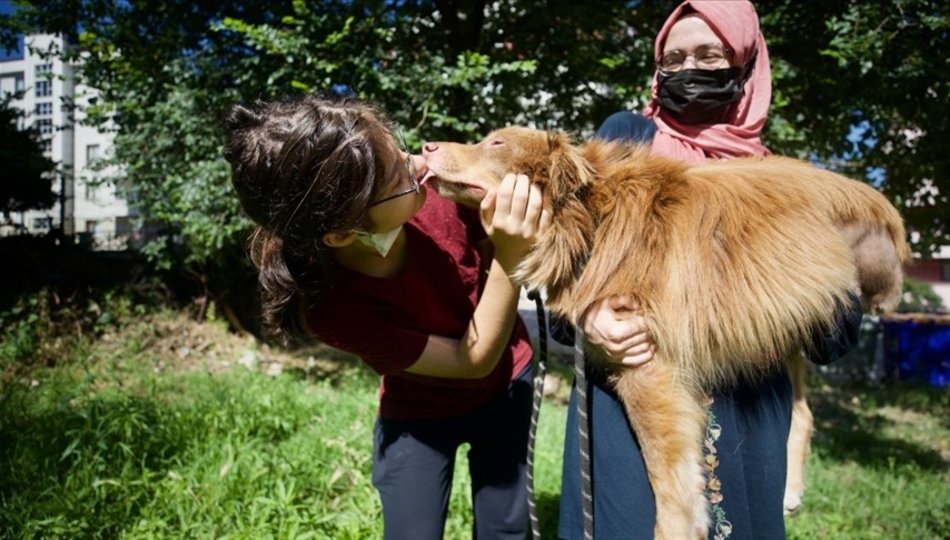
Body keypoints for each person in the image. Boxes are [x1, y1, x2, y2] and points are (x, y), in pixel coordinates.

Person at [556, 2, 863, 539]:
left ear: (744, 66)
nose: (688, 70)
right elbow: (563, 269)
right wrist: (587, 315)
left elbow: (835, 333)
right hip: (631, 399)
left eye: (708, 55)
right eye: (672, 59)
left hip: (746, 412)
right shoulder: (626, 141)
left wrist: (797, 279)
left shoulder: (777, 182)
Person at [222, 94, 552, 540]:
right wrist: (511, 258)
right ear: (341, 232)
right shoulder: (332, 308)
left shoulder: (437, 193)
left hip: (506, 383)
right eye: (397, 175)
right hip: (420, 410)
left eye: (399, 150)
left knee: (506, 527)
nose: (418, 163)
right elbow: (469, 360)